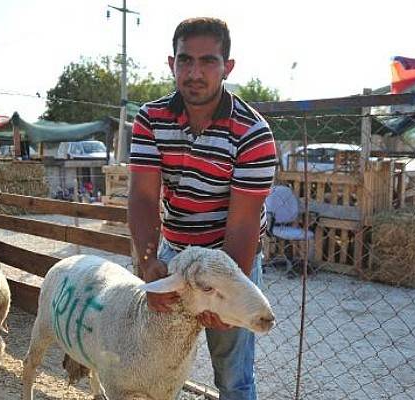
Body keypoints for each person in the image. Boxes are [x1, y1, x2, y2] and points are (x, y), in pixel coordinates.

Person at [128, 17, 277, 400]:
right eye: (185, 60)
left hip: (232, 258)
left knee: (233, 377)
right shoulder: (150, 119)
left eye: (208, 61)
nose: (195, 73)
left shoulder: (253, 133)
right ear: (171, 63)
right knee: (154, 359)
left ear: (228, 67)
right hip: (175, 251)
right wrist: (148, 262)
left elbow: (243, 224)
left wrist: (226, 291)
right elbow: (142, 197)